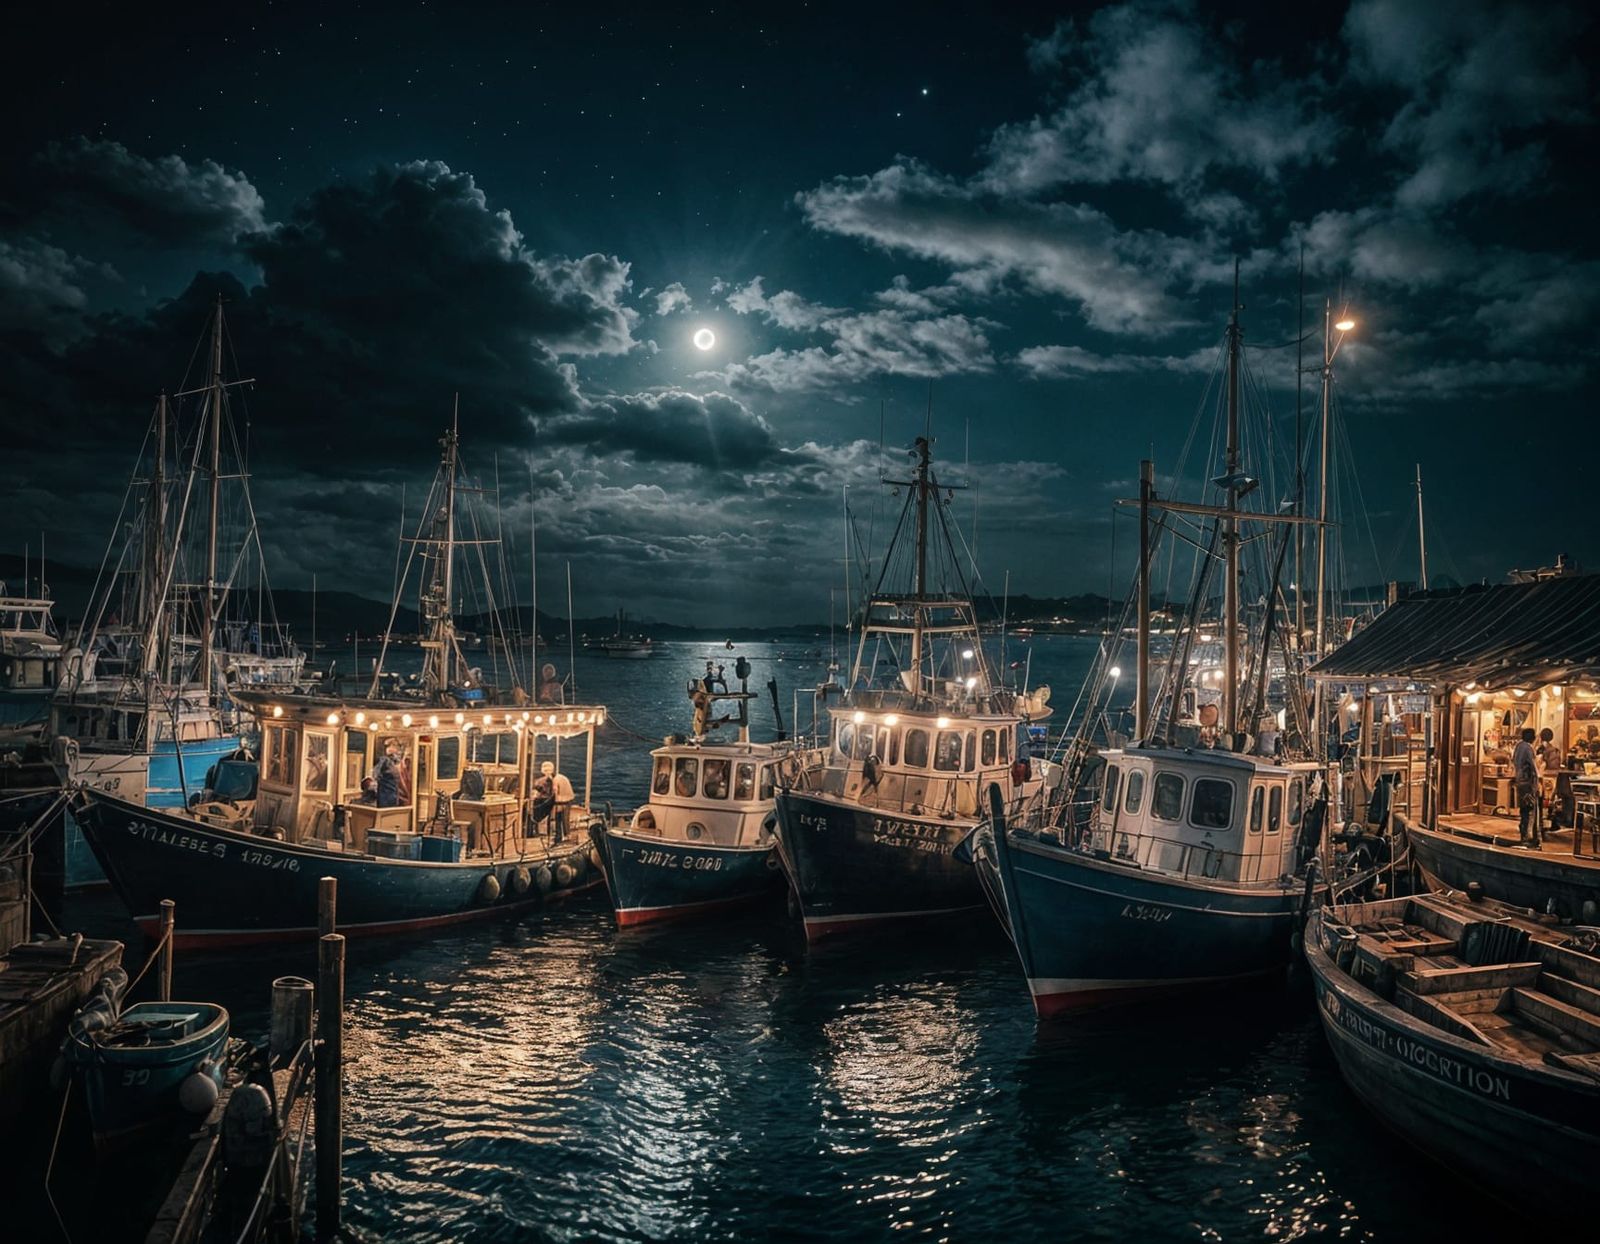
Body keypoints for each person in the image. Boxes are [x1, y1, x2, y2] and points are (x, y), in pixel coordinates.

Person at [1513, 727, 1540, 847]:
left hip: (1520, 781)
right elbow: (1533, 766)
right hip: (1527, 782)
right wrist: (1537, 781)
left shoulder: (1518, 746)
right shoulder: (1528, 748)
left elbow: (1514, 761)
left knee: (1524, 808)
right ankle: (1528, 836)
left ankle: (1523, 832)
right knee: (1529, 808)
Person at [543, 760, 575, 843]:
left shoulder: (556, 780)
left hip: (564, 801)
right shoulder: (560, 777)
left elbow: (555, 793)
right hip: (565, 800)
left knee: (562, 819)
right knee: (561, 819)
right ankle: (560, 836)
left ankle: (565, 837)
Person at [1538, 727, 1563, 828]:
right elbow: (1557, 764)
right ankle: (1550, 821)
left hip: (1543, 776)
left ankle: (1542, 822)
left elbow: (1538, 763)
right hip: (1553, 777)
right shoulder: (1555, 750)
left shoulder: (1539, 749)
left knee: (1542, 800)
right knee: (1550, 800)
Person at [374, 740, 406, 809]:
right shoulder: (384, 761)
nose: (398, 751)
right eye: (394, 746)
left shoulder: (395, 764)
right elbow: (376, 774)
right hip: (385, 796)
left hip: (393, 795)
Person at [529, 767, 555, 834]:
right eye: (546, 770)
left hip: (546, 801)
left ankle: (541, 831)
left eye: (549, 770)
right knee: (538, 816)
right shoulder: (541, 780)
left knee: (541, 816)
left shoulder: (549, 780)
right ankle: (538, 830)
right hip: (543, 800)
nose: (547, 772)